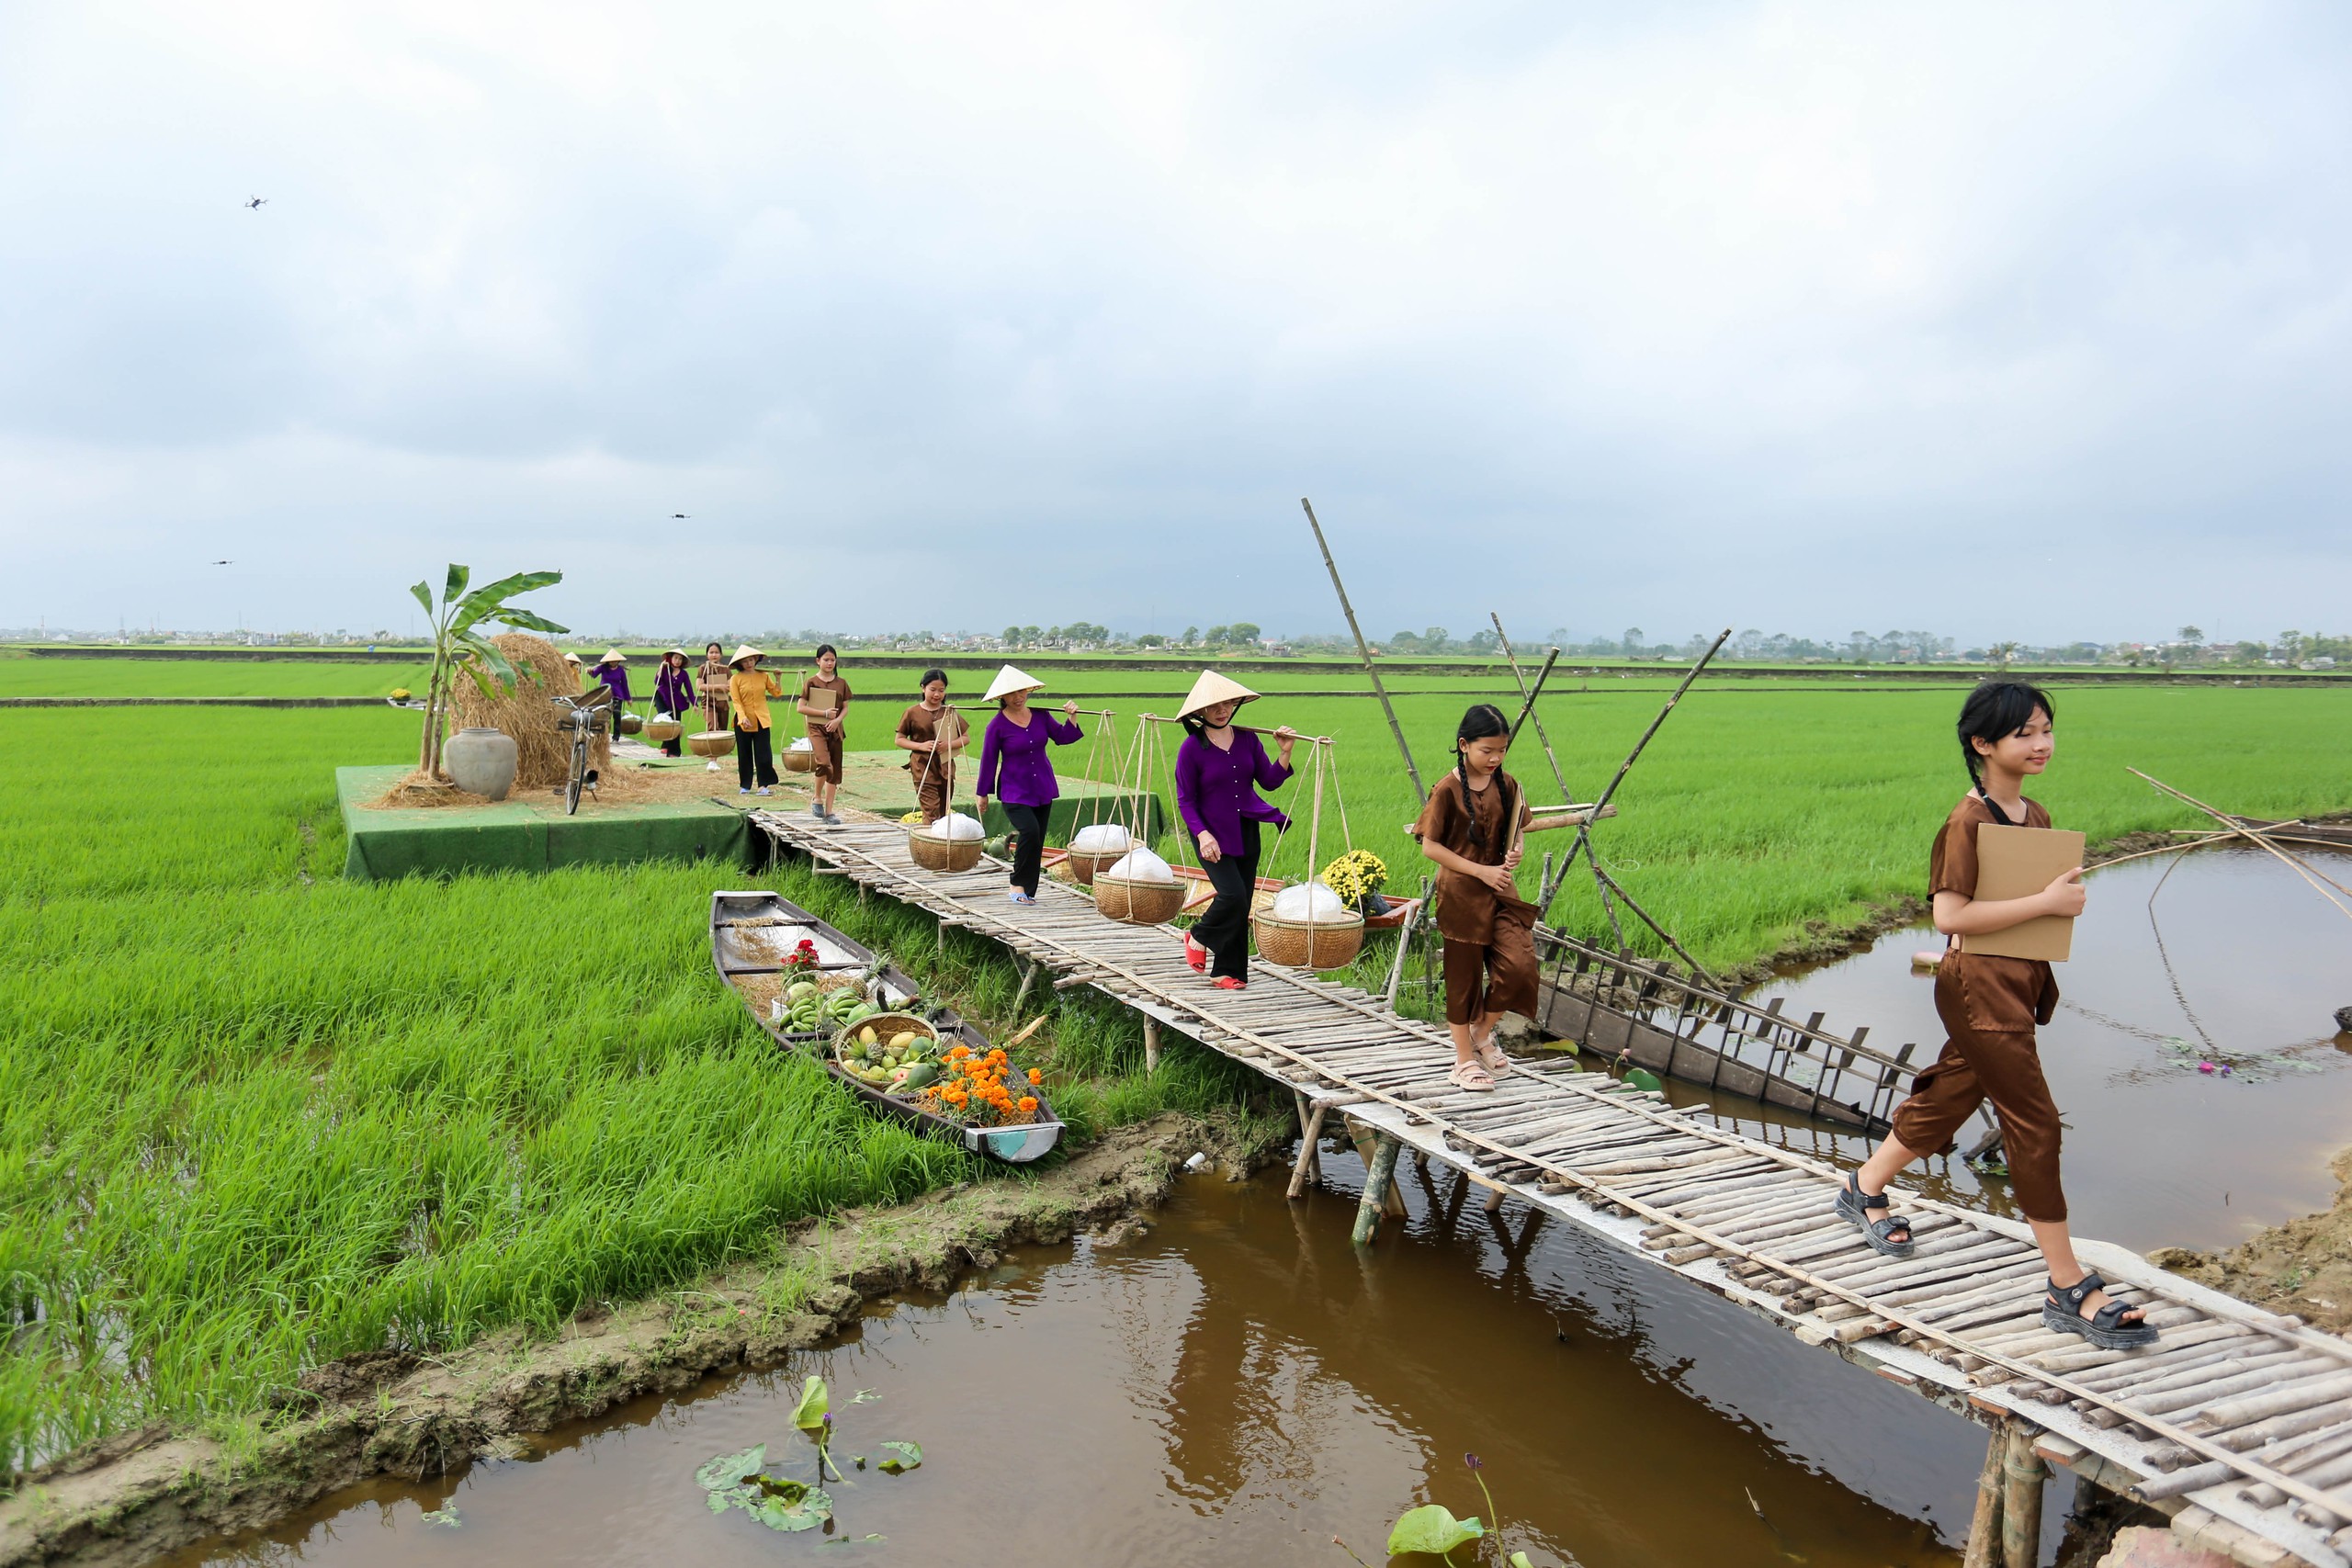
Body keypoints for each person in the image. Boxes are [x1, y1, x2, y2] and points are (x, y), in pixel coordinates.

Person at [1835, 682, 2153, 1348]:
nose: (2042, 744)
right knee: (2034, 1122)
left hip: (2014, 982)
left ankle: (1863, 1186)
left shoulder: (2033, 814)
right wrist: (2046, 903)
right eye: (2025, 733)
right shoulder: (1967, 821)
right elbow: (1949, 917)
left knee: (1953, 1091)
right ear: (1983, 744)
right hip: (1979, 987)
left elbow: (2029, 902)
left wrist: (2053, 904)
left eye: (2046, 729)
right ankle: (2067, 1285)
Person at [1413, 704, 1574, 1092]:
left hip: (1502, 892)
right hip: (1462, 897)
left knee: (1520, 965)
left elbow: (1519, 827)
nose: (1495, 758)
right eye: (1488, 751)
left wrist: (1516, 847)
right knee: (1463, 979)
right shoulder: (1447, 790)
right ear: (1464, 745)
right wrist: (1481, 870)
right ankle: (1463, 1061)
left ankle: (1483, 1033)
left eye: (1502, 751)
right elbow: (1430, 847)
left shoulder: (1509, 784)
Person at [1172, 671, 1295, 991]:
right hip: (1211, 834)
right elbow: (1185, 800)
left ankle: (1228, 972)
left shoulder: (1247, 740)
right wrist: (1201, 834)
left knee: (1242, 903)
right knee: (1232, 894)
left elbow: (1268, 781)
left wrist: (1284, 752)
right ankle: (1198, 935)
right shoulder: (1191, 749)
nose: (1222, 710)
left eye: (1227, 703)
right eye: (1214, 706)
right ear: (1201, 711)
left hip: (1246, 829)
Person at [974, 664, 1083, 906]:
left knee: (1038, 837)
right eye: (1012, 693)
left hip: (1042, 786)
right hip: (1014, 790)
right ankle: (1017, 883)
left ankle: (1029, 892)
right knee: (1029, 831)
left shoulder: (1041, 715)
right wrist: (982, 794)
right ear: (1002, 697)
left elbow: (1063, 737)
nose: (1019, 697)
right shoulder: (997, 726)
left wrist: (1072, 718)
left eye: (1022, 691)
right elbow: (989, 761)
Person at [895, 668, 967, 824]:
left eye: (941, 690)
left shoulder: (949, 711)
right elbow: (899, 739)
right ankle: (930, 843)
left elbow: (965, 738)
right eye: (932, 689)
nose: (937, 694)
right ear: (923, 688)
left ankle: (937, 844)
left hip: (945, 766)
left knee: (942, 810)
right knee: (931, 810)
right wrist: (921, 746)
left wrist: (948, 745)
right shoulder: (912, 712)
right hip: (922, 766)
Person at [797, 644, 853, 825]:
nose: (829, 663)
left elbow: (845, 708)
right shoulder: (811, 682)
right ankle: (816, 798)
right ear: (818, 661)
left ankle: (829, 812)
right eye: (826, 660)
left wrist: (837, 720)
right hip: (816, 728)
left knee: (834, 770)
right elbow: (801, 707)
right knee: (823, 762)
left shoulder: (841, 683)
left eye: (832, 660)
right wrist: (824, 714)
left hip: (835, 729)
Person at [727, 645, 784, 795]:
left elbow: (776, 692)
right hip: (743, 722)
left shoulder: (763, 676)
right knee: (744, 754)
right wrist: (742, 717)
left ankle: (763, 785)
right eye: (745, 661)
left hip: (761, 720)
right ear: (740, 664)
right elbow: (736, 701)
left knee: (764, 754)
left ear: (756, 660)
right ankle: (745, 785)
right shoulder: (735, 679)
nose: (749, 663)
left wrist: (778, 678)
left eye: (751, 660)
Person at [652, 649, 695, 758]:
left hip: (676, 701)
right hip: (662, 697)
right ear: (670, 658)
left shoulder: (684, 674)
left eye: (680, 659)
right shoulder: (665, 669)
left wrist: (694, 703)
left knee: (676, 725)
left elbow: (689, 689)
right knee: (666, 720)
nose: (677, 661)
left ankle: (674, 752)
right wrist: (660, 669)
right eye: (675, 658)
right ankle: (665, 744)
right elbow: (657, 681)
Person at [697, 641, 732, 735]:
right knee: (713, 728)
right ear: (707, 654)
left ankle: (721, 749)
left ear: (721, 654)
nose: (714, 655)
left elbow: (730, 685)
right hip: (708, 702)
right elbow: (699, 686)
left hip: (723, 702)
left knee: (723, 731)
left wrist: (723, 688)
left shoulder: (726, 669)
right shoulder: (703, 668)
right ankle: (711, 749)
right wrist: (719, 687)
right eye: (711, 652)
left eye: (716, 652)